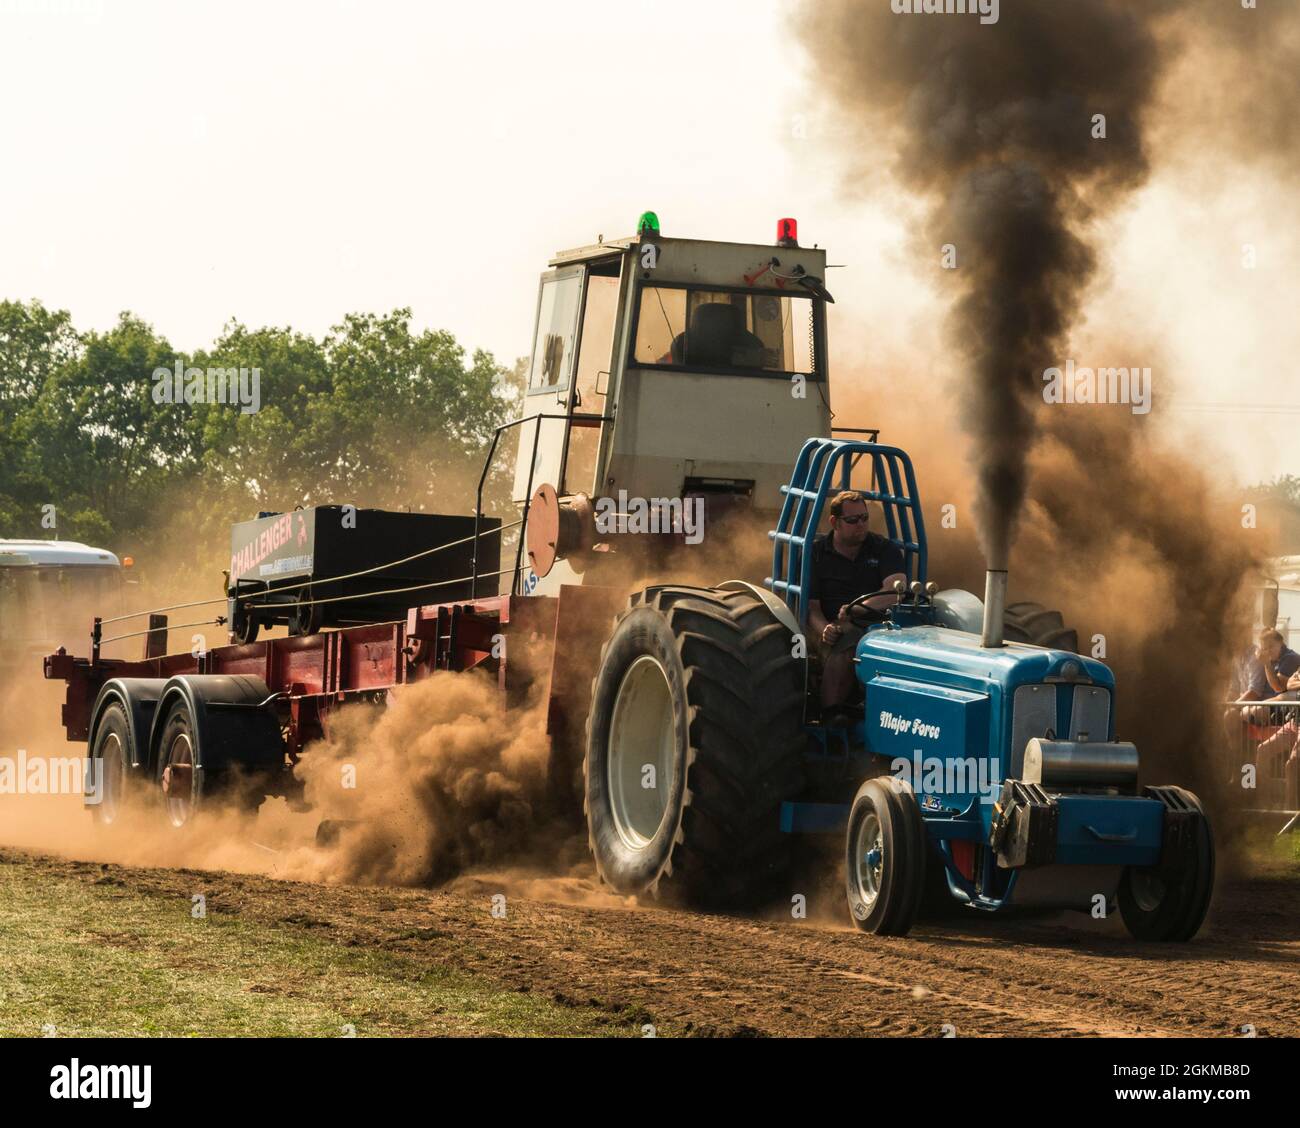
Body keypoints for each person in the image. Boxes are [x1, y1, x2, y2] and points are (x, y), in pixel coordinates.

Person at [807, 490, 907, 713]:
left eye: (864, 518)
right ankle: (830, 717)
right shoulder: (815, 554)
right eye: (852, 520)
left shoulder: (883, 548)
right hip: (833, 627)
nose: (860, 525)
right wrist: (825, 629)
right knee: (848, 643)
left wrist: (860, 608)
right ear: (835, 522)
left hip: (880, 625)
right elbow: (810, 607)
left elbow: (896, 591)